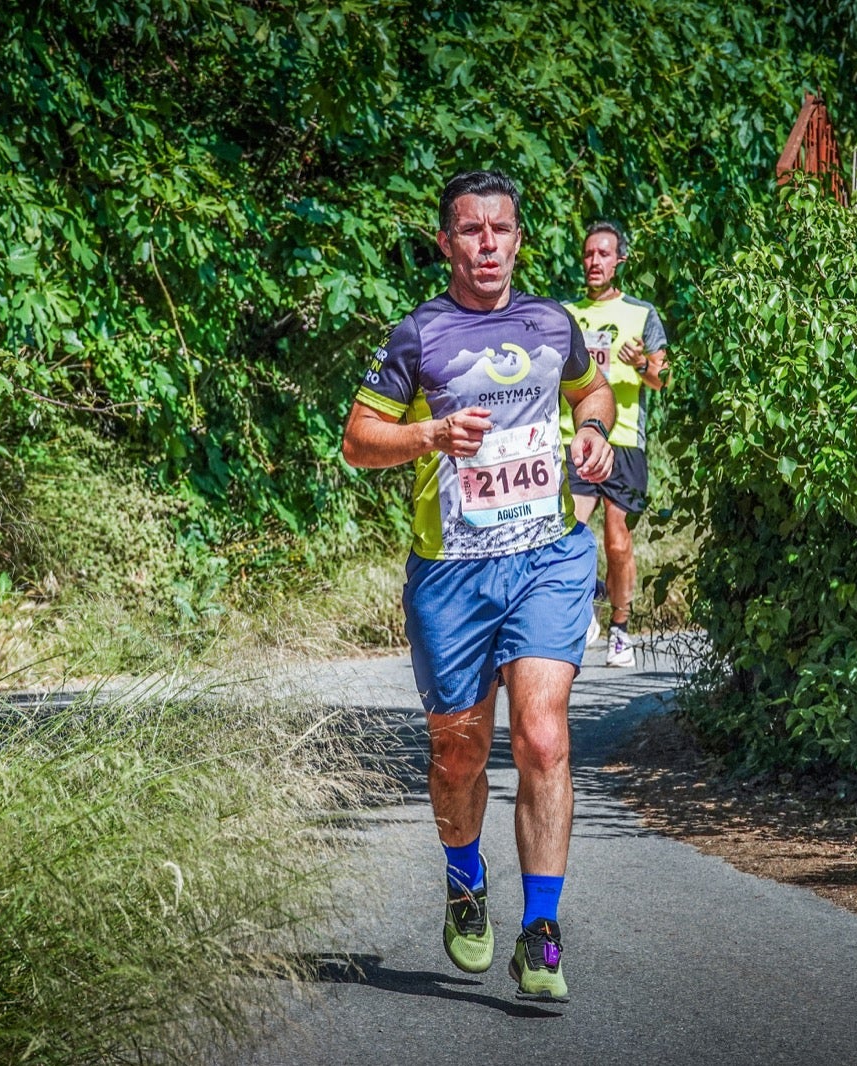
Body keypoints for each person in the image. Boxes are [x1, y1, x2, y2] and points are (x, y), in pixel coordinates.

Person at [341, 170, 616, 1002]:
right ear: (446, 242)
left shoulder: (553, 322)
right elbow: (359, 439)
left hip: (547, 557)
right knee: (458, 755)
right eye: (471, 230)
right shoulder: (418, 335)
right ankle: (465, 883)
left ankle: (542, 934)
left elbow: (594, 390)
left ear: (520, 240)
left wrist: (593, 432)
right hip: (452, 574)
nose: (487, 244)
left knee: (542, 738)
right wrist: (429, 434)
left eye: (501, 230)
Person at [559, 221, 669, 668]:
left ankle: (620, 629)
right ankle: (585, 605)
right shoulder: (565, 313)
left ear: (619, 261)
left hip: (624, 441)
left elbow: (662, 379)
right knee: (569, 533)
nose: (594, 262)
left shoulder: (641, 314)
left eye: (603, 254)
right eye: (588, 254)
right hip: (577, 438)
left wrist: (641, 363)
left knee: (617, 542)